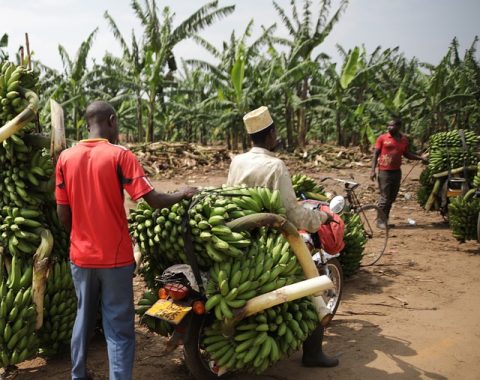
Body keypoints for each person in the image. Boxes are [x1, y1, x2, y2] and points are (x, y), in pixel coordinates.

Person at [56, 101, 197, 380]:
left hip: (80, 256)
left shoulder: (66, 157)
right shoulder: (120, 156)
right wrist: (181, 194)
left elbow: (62, 213)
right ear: (111, 120)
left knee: (82, 319)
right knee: (119, 326)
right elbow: (152, 199)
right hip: (115, 258)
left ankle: (78, 375)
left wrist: (80, 236)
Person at [226, 106, 338, 368]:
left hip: (239, 237)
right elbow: (293, 213)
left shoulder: (237, 161)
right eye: (275, 133)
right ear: (269, 135)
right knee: (311, 282)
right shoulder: (275, 166)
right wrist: (321, 218)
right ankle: (313, 353)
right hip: (272, 240)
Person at [370, 118, 427, 228]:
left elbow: (407, 154)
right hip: (384, 171)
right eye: (388, 126)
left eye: (392, 126)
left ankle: (384, 220)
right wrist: (373, 170)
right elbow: (375, 154)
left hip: (396, 172)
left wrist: (420, 158)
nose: (389, 128)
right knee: (384, 198)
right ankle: (380, 221)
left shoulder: (404, 140)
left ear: (399, 127)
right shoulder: (382, 138)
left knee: (391, 197)